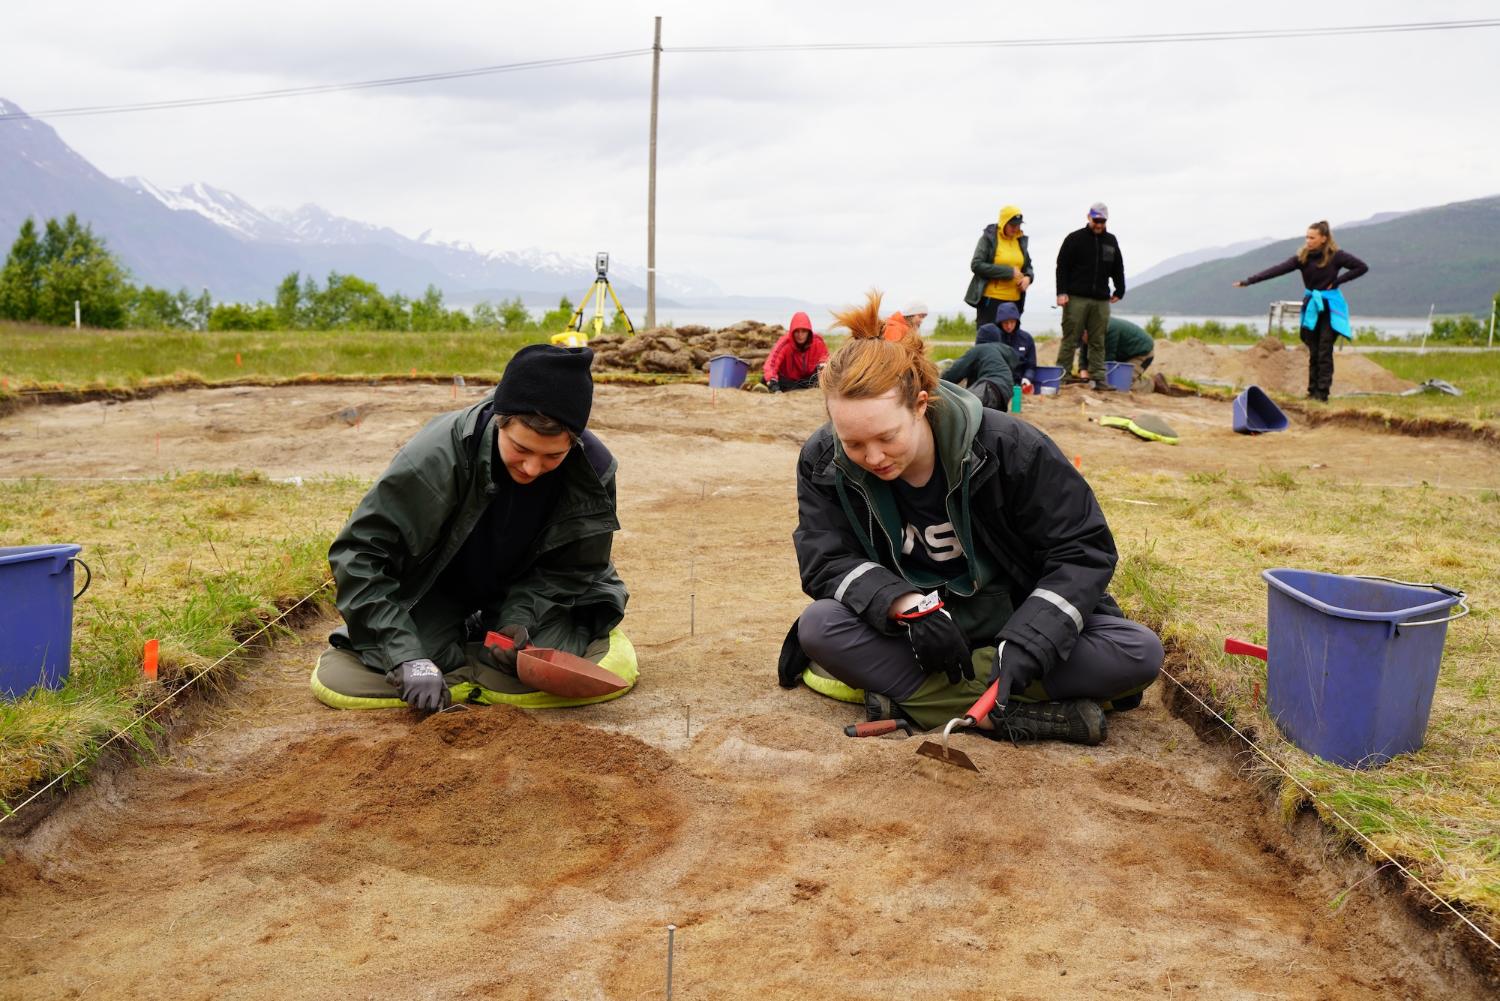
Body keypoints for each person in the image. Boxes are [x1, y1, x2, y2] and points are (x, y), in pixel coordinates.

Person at [779, 291, 1163, 745]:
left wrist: (1029, 640)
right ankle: (1015, 715)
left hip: (1013, 611)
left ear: (920, 404)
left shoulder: (1011, 448)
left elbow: (1083, 549)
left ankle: (918, 702)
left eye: (886, 437)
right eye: (854, 443)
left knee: (1137, 651)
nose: (873, 456)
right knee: (821, 626)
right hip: (917, 633)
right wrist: (906, 607)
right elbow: (824, 557)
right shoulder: (823, 459)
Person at [313, 344, 636, 712]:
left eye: (552, 457)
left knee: (553, 650)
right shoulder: (436, 456)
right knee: (417, 657)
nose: (532, 468)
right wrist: (407, 658)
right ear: (501, 419)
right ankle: (455, 633)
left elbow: (573, 569)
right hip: (436, 583)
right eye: (520, 448)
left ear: (574, 442)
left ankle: (496, 627)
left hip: (526, 585)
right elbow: (359, 554)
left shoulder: (594, 471)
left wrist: (520, 622)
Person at [1234, 221, 1368, 402]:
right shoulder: (1302, 258)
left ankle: (1322, 394)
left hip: (1329, 307)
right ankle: (1312, 392)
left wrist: (1336, 282)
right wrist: (1249, 281)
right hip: (1311, 305)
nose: (1308, 241)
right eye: (1307, 237)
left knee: (1324, 351)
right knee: (1313, 350)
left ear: (1323, 239)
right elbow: (1277, 270)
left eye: (1312, 237)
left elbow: (1362, 267)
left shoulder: (1336, 256)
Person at [1055, 202, 1125, 390]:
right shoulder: (1074, 239)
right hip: (1075, 297)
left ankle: (1098, 378)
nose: (1099, 224)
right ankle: (1063, 375)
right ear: (1089, 217)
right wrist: (1061, 292)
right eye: (1096, 220)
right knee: (1071, 337)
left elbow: (1118, 267)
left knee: (1098, 339)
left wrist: (1120, 289)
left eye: (1102, 221)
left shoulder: (1111, 241)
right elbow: (1062, 266)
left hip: (1101, 299)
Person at [964, 205, 1033, 327]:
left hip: (1015, 301)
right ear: (1003, 222)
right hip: (992, 301)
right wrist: (1009, 272)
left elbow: (1028, 267)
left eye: (1018, 225)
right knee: (989, 340)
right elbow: (976, 265)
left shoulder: (1020, 240)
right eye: (1012, 225)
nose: (1016, 228)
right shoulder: (989, 238)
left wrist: (1028, 278)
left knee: (1010, 342)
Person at [941, 322, 1019, 411]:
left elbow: (955, 372)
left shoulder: (980, 349)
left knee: (962, 409)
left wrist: (938, 383)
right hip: (1005, 391)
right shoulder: (1004, 351)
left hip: (989, 387)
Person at [762, 311, 830, 392]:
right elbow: (771, 364)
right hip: (788, 381)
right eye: (797, 331)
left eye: (804, 331)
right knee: (766, 379)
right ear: (792, 332)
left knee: (824, 373)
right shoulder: (784, 343)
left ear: (809, 332)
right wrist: (772, 380)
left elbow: (825, 359)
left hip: (809, 381)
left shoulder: (817, 342)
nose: (800, 335)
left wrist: (823, 368)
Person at [1080, 316, 1155, 387]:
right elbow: (1084, 354)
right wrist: (1084, 374)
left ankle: (1152, 383)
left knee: (1119, 385)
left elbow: (1108, 362)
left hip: (1141, 352)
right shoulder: (1087, 329)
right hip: (1122, 353)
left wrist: (1093, 378)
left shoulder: (1108, 330)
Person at [993, 301, 1037, 386]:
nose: (1009, 326)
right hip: (998, 381)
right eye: (1005, 323)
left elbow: (1031, 366)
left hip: (1019, 383)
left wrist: (1027, 379)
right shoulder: (993, 337)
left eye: (1012, 322)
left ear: (1017, 321)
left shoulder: (1027, 338)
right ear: (999, 322)